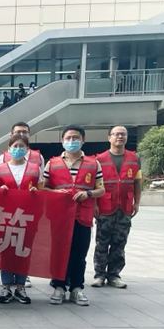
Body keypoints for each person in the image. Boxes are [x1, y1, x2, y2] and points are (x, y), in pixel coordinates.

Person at [44, 124, 105, 306]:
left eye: (76, 138)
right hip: (59, 216)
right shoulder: (52, 163)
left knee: (79, 253)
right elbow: (43, 188)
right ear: (62, 141)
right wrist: (56, 192)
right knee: (59, 252)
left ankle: (76, 288)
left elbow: (101, 189)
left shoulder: (93, 163)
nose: (72, 141)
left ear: (83, 140)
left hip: (82, 215)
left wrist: (88, 193)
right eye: (68, 138)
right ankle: (59, 286)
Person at [0, 134, 43, 305]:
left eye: (22, 146)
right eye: (15, 146)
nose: (18, 149)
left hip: (28, 216)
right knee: (6, 251)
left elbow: (42, 191)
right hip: (5, 216)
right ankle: (6, 286)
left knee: (24, 251)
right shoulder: (0, 168)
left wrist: (36, 192)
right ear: (9, 148)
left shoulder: (35, 168)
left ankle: (20, 287)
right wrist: (0, 191)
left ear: (27, 149)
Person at [91, 126, 141, 289]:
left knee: (120, 243)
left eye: (123, 134)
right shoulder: (99, 159)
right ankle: (99, 275)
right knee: (102, 242)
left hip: (125, 207)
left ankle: (114, 275)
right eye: (116, 134)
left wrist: (137, 202)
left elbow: (137, 182)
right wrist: (94, 204)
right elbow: (94, 184)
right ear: (109, 137)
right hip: (105, 206)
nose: (120, 137)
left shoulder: (134, 158)